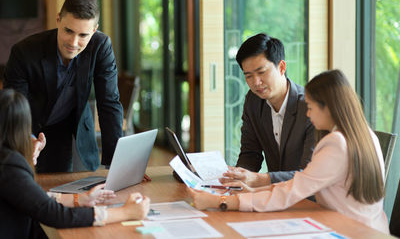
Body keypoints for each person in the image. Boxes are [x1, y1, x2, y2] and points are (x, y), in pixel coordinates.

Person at [189, 70, 389, 233]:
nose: (308, 114)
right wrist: (256, 191)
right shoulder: (365, 135)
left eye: (310, 107)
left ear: (327, 108)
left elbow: (292, 191)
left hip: (345, 231)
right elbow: (300, 183)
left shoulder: (336, 144)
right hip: (369, 229)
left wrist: (219, 201)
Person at [0, 89, 150, 239]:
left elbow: (33, 198)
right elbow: (54, 214)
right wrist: (125, 212)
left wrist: (80, 199)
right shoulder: (9, 166)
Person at [4, 0, 123, 172]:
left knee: (76, 190)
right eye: (68, 31)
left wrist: (119, 163)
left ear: (94, 29)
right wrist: (27, 138)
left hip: (74, 129)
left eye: (83, 35)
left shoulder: (101, 46)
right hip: (32, 128)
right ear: (58, 19)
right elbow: (14, 108)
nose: (73, 43)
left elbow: (109, 103)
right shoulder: (24, 52)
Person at [221, 33, 314, 187]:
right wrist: (237, 177)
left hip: (309, 200)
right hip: (275, 198)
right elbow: (250, 154)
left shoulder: (310, 106)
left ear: (282, 67)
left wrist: (260, 179)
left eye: (262, 72)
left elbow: (309, 173)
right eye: (248, 76)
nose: (256, 82)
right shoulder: (253, 101)